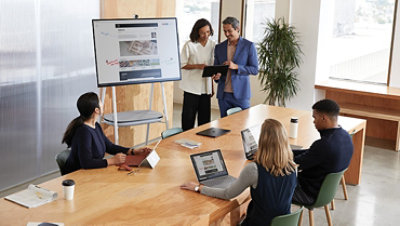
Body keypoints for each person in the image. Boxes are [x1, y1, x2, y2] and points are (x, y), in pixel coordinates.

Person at [181, 119, 297, 226]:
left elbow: (228, 194)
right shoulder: (293, 167)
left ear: (262, 141)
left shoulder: (254, 169)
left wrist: (198, 188)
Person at [61, 92, 150, 174]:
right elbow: (86, 163)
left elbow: (109, 147)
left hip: (92, 173)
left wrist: (133, 151)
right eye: (100, 103)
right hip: (78, 176)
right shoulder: (83, 132)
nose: (102, 105)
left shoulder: (96, 125)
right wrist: (112, 161)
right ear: (96, 110)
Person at [292, 99, 353, 206]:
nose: (313, 121)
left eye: (315, 118)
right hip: (326, 192)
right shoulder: (346, 136)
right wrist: (286, 151)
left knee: (267, 185)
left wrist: (270, 154)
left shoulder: (324, 144)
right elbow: (310, 153)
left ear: (323, 118)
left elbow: (296, 163)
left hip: (308, 193)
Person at [212, 17, 258, 117]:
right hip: (223, 95)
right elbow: (217, 69)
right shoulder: (219, 47)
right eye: (225, 31)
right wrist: (217, 76)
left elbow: (255, 69)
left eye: (229, 31)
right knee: (224, 127)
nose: (227, 34)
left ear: (237, 28)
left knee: (242, 125)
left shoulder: (248, 46)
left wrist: (237, 66)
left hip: (241, 95)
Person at [180, 18, 216, 131]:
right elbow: (182, 64)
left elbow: (211, 67)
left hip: (206, 87)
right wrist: (198, 66)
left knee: (205, 121)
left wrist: (212, 86)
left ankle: (203, 145)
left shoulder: (213, 44)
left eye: (208, 32)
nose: (205, 35)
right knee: (188, 119)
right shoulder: (189, 45)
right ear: (197, 32)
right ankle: (185, 142)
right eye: (202, 32)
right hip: (191, 87)